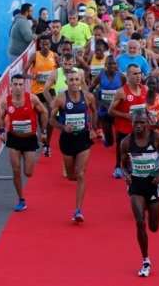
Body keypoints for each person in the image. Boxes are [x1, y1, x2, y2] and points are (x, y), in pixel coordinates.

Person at [120, 111, 159, 277]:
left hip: (153, 183)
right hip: (136, 184)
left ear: (147, 123)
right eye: (135, 123)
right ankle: (146, 260)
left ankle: (147, 206)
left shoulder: (157, 138)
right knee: (139, 221)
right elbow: (123, 165)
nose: (138, 126)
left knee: (154, 227)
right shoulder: (126, 142)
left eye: (141, 123)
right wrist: (126, 175)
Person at [49, 70, 98, 222]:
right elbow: (51, 120)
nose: (75, 83)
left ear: (81, 81)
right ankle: (74, 172)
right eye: (72, 80)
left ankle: (78, 210)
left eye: (77, 80)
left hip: (83, 139)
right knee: (71, 176)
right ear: (66, 82)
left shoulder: (88, 97)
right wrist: (63, 127)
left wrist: (93, 128)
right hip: (67, 140)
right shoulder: (61, 99)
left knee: (82, 174)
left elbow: (95, 112)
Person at [0, 74, 48, 211]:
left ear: (23, 86)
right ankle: (21, 199)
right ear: (11, 86)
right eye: (16, 85)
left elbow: (44, 113)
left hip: (29, 138)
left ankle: (22, 197)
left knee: (28, 172)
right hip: (14, 138)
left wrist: (43, 131)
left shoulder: (31, 99)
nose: (18, 88)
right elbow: (1, 117)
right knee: (16, 170)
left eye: (21, 84)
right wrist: (1, 131)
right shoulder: (5, 102)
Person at [109, 64, 148, 179]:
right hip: (123, 127)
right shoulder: (121, 92)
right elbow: (111, 111)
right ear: (128, 75)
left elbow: (146, 106)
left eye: (140, 73)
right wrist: (126, 115)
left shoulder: (145, 89)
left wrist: (149, 115)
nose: (138, 76)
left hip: (140, 127)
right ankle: (118, 166)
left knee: (139, 147)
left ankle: (135, 167)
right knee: (122, 148)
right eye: (135, 74)